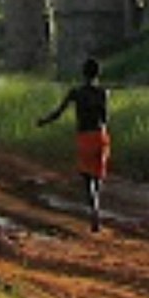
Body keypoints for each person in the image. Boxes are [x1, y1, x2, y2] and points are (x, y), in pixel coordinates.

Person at [37, 56, 110, 232]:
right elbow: (105, 118)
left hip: (84, 137)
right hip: (100, 136)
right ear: (98, 74)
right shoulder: (103, 93)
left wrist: (43, 121)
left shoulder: (76, 93)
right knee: (98, 176)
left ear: (83, 73)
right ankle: (97, 207)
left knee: (87, 178)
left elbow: (58, 113)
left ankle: (94, 211)